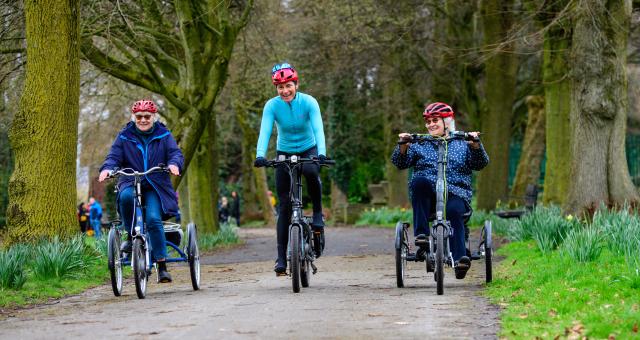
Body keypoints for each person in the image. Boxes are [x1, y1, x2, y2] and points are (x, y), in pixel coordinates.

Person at [391, 102, 489, 279]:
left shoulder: (462, 143)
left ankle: (460, 259)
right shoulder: (420, 144)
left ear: (447, 121)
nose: (430, 125)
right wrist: (404, 145)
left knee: (454, 211)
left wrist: (475, 145)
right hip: (429, 197)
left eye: (435, 120)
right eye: (428, 121)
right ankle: (422, 234)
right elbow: (400, 163)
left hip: (456, 192)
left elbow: (480, 164)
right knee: (418, 181)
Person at [254, 62, 329, 275]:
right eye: (280, 87)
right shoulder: (272, 106)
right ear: (276, 89)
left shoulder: (309, 102)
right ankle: (280, 258)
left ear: (296, 84)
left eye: (288, 85)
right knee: (285, 205)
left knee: (311, 172)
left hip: (308, 148)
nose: (285, 91)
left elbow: (318, 128)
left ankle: (316, 213)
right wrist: (260, 155)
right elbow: (265, 131)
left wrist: (321, 153)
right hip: (284, 151)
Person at [98, 99, 184, 283]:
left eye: (147, 116)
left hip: (155, 182)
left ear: (153, 117)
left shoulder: (164, 135)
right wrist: (107, 169)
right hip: (130, 179)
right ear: (134, 117)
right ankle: (130, 236)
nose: (143, 120)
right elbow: (113, 156)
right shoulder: (124, 136)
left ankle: (162, 265)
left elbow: (175, 153)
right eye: (139, 117)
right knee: (126, 197)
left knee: (153, 219)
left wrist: (173, 164)